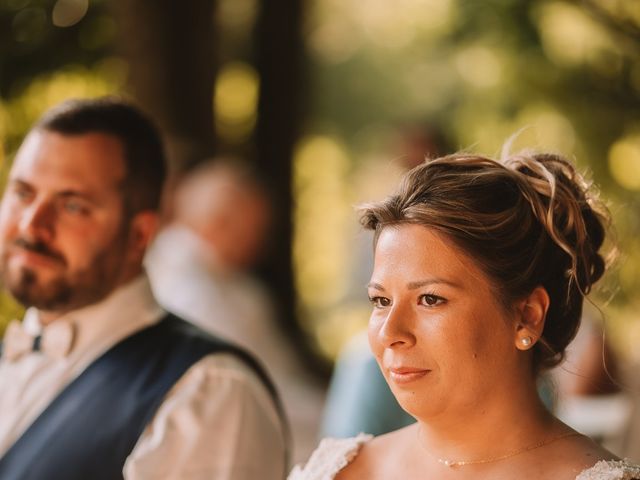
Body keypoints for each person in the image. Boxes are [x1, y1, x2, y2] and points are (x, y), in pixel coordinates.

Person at [290, 150, 640, 479]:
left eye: (429, 299)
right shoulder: (338, 471)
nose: (390, 332)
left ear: (528, 316)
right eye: (380, 301)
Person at [0, 97, 287, 480]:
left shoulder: (208, 393)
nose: (32, 226)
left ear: (139, 234)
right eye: (22, 193)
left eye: (73, 206)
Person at [146, 160, 325, 463]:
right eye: (255, 228)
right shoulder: (194, 293)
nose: (261, 243)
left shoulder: (228, 284)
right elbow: (266, 388)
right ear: (218, 222)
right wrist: (336, 417)